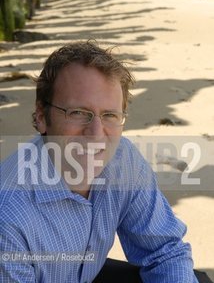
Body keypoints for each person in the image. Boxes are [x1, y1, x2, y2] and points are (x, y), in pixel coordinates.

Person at [0, 41, 211, 283]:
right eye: (78, 112)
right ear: (41, 117)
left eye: (110, 115)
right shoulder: (8, 217)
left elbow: (164, 251)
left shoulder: (122, 159)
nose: (97, 134)